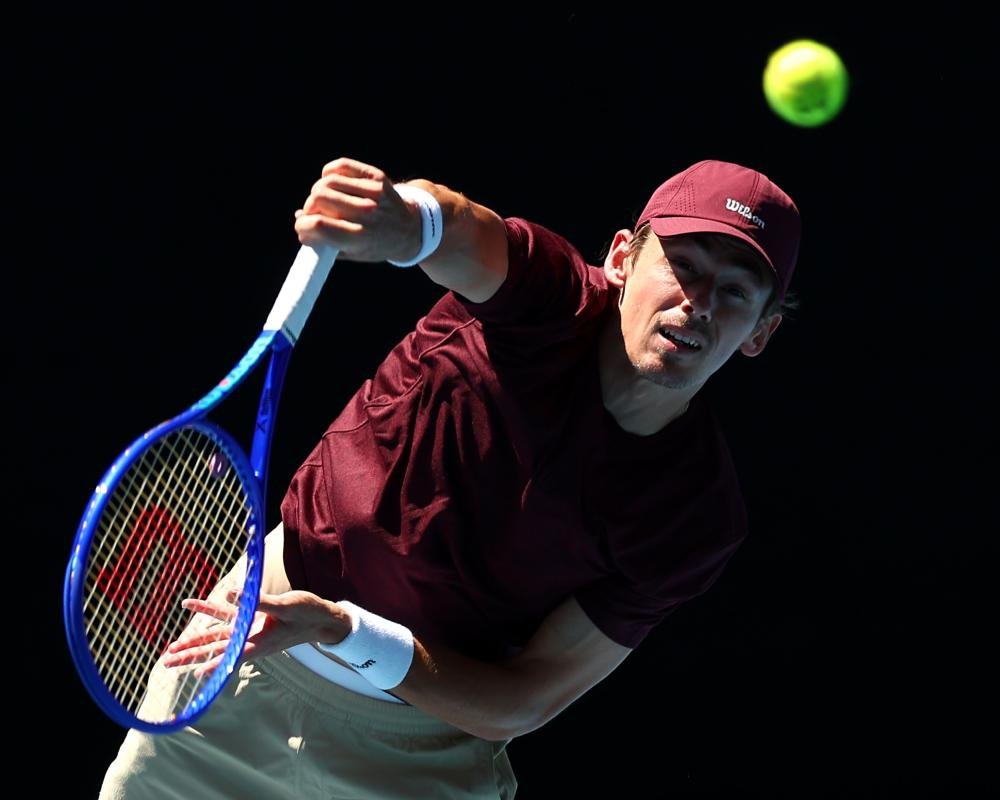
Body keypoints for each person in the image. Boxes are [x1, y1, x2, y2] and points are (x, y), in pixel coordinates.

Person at [99, 155, 801, 799]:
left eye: (736, 291)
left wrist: (344, 630)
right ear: (622, 257)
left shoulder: (696, 516)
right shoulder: (547, 298)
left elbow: (523, 700)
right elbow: (463, 233)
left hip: (417, 763)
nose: (701, 300)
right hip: (234, 671)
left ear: (761, 334)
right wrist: (403, 222)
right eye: (684, 263)